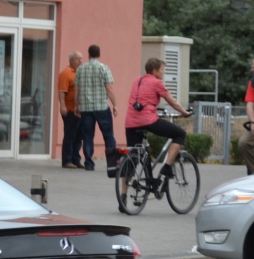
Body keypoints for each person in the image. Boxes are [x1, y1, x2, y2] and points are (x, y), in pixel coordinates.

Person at [124, 58, 190, 175]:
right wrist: (184, 112)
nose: (163, 72)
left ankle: (123, 193)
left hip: (130, 122)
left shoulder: (137, 80)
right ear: (154, 71)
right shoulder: (157, 83)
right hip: (148, 120)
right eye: (162, 70)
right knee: (180, 134)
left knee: (132, 158)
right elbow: (172, 102)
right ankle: (167, 167)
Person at [76, 43, 118, 173]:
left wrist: (77, 105)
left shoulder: (80, 69)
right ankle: (112, 164)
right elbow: (109, 88)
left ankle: (89, 163)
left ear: (88, 54)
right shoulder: (104, 68)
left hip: (86, 109)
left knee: (87, 136)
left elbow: (77, 90)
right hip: (102, 107)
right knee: (108, 135)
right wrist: (115, 104)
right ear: (99, 54)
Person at [56, 50, 86, 169]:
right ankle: (67, 160)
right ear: (72, 60)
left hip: (80, 109)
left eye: (81, 58)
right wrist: (62, 105)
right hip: (70, 109)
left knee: (79, 136)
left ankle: (76, 159)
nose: (80, 61)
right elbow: (62, 92)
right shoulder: (65, 73)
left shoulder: (79, 73)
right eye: (78, 59)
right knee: (70, 135)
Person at [238, 56, 254, 174]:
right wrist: (252, 122)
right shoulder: (252, 83)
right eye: (252, 65)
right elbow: (249, 104)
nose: (252, 67)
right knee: (244, 143)